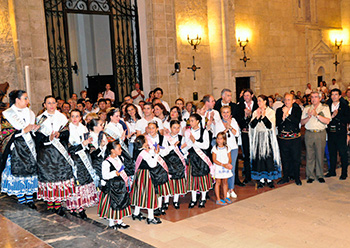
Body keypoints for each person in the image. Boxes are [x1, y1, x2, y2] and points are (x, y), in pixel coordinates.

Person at [35, 96, 76, 214]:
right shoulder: (40, 119)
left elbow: (67, 133)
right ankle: (49, 203)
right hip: (46, 153)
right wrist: (48, 138)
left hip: (59, 153)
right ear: (44, 105)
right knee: (48, 177)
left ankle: (58, 204)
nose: (51, 105)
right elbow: (37, 138)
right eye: (49, 103)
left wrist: (60, 134)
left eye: (53, 103)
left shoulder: (62, 117)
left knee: (59, 176)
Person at [1, 90, 39, 209]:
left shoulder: (31, 113)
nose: (28, 101)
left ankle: (29, 197)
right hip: (16, 147)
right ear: (17, 100)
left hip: (29, 147)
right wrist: (23, 131)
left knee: (30, 170)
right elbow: (5, 133)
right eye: (25, 98)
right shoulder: (7, 114)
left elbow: (32, 131)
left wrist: (35, 129)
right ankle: (21, 197)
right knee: (19, 172)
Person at [66, 109, 99, 219]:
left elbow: (86, 142)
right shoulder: (67, 129)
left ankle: (81, 206)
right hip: (74, 158)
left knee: (84, 180)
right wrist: (81, 144)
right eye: (73, 116)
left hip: (84, 157)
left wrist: (88, 142)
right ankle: (73, 206)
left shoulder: (83, 127)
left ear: (81, 118)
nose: (75, 119)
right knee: (76, 182)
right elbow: (68, 147)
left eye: (77, 116)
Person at [249, 95, 282, 188]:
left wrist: (263, 117)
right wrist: (257, 117)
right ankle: (261, 180)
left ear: (265, 102)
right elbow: (251, 125)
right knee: (259, 159)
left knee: (268, 158)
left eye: (260, 101)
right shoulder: (255, 112)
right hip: (258, 138)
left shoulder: (271, 112)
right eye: (258, 101)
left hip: (268, 138)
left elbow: (270, 126)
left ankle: (270, 179)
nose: (258, 103)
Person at [98, 141, 131, 229]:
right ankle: (111, 222)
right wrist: (114, 173)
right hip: (111, 186)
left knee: (121, 201)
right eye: (119, 149)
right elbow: (105, 175)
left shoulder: (119, 158)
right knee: (112, 203)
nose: (121, 150)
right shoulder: (106, 162)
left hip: (120, 185)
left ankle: (120, 220)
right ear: (112, 150)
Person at [130, 135, 162, 225]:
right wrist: (156, 154)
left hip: (139, 174)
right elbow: (152, 164)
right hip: (146, 174)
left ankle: (136, 213)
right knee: (150, 195)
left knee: (139, 193)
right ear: (144, 143)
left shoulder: (136, 151)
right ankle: (151, 217)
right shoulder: (144, 153)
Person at [185, 113, 214, 208]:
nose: (191, 122)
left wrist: (195, 142)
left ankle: (203, 198)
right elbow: (187, 145)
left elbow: (206, 145)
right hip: (192, 158)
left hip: (202, 159)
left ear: (198, 121)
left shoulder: (204, 132)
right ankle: (193, 199)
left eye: (192, 120)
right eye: (190, 120)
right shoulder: (187, 132)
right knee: (193, 180)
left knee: (203, 180)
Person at [301, 91, 331, 183]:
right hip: (309, 133)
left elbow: (327, 121)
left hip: (320, 133)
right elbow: (302, 122)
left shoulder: (325, 108)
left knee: (320, 154)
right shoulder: (306, 108)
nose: (313, 99)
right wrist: (309, 117)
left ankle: (320, 174)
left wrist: (316, 115)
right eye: (312, 97)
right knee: (310, 155)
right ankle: (310, 175)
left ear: (320, 98)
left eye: (315, 97)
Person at [145, 121, 172, 215]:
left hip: (160, 164)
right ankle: (154, 206)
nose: (151, 130)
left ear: (157, 129)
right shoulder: (145, 139)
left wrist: (160, 151)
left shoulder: (162, 138)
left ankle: (160, 206)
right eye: (149, 128)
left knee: (161, 186)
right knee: (153, 187)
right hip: (150, 163)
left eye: (153, 128)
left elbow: (167, 150)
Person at [276, 93, 302, 186]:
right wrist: (283, 116)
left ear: (293, 101)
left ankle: (297, 177)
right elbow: (277, 123)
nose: (287, 102)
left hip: (294, 139)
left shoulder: (297, 110)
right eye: (285, 100)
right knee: (285, 159)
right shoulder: (279, 110)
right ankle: (285, 177)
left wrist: (287, 114)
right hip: (283, 138)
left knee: (296, 158)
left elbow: (296, 121)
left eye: (289, 100)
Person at [325, 89, 349, 180]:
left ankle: (344, 173)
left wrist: (337, 115)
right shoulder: (327, 106)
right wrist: (332, 115)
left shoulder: (344, 106)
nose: (334, 96)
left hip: (341, 133)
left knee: (343, 154)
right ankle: (332, 171)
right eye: (332, 94)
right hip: (331, 133)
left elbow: (347, 118)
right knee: (332, 153)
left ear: (339, 96)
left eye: (336, 94)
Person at [163, 120, 187, 209]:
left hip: (179, 162)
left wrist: (182, 149)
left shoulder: (182, 137)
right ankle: (166, 201)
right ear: (170, 128)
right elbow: (164, 150)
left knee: (178, 182)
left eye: (178, 128)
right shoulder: (165, 137)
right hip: (169, 161)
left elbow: (185, 150)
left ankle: (176, 200)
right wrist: (172, 146)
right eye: (174, 127)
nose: (176, 130)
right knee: (169, 182)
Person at [237, 89, 258, 185]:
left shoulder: (257, 105)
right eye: (244, 95)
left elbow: (259, 119)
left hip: (255, 133)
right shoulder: (240, 106)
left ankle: (257, 175)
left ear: (252, 95)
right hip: (245, 133)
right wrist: (245, 116)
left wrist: (251, 115)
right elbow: (238, 119)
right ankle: (248, 176)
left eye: (248, 95)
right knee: (246, 155)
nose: (246, 97)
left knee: (256, 154)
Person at [220, 106, 239, 198]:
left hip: (233, 148)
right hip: (223, 149)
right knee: (225, 169)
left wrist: (230, 127)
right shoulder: (218, 122)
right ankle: (225, 189)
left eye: (227, 112)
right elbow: (218, 136)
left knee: (232, 168)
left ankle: (231, 189)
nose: (225, 114)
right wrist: (225, 129)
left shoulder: (233, 121)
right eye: (224, 112)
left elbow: (237, 133)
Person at [212, 132, 233, 206]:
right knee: (218, 182)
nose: (219, 140)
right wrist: (222, 164)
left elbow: (229, 158)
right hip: (218, 167)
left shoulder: (227, 147)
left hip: (225, 167)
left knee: (225, 182)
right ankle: (218, 199)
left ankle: (225, 196)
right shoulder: (215, 148)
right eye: (218, 138)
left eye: (221, 138)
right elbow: (214, 159)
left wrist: (228, 164)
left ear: (224, 140)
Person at [86, 118, 108, 188]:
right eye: (101, 125)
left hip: (104, 160)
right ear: (95, 127)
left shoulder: (103, 135)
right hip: (95, 163)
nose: (103, 126)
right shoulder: (89, 137)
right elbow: (92, 153)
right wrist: (100, 147)